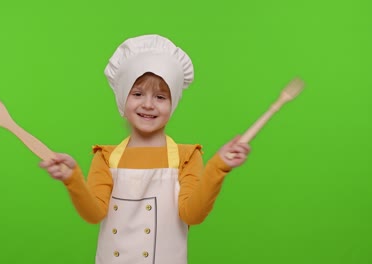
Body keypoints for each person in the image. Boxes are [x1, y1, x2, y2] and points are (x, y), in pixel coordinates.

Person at [39, 34, 251, 264]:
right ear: (122, 98)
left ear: (173, 104)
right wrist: (72, 177)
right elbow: (94, 214)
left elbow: (193, 214)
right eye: (138, 94)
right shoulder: (106, 157)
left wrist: (218, 166)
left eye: (160, 96)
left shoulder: (187, 157)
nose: (148, 104)